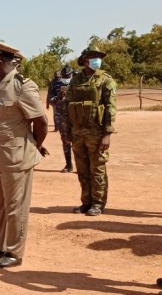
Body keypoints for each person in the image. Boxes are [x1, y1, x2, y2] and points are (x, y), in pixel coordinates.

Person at [0, 37, 48, 268]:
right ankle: (1, 245)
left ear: (2, 61)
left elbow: (41, 121)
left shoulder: (22, 85)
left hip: (16, 157)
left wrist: (34, 144)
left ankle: (14, 252)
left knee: (16, 207)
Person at [65, 45, 117, 216]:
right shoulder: (75, 80)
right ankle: (86, 202)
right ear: (85, 61)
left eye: (99, 57)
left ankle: (98, 204)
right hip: (78, 132)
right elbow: (67, 106)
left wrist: (107, 134)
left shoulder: (106, 80)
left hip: (97, 133)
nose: (98, 60)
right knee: (82, 169)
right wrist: (67, 131)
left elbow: (110, 108)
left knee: (97, 169)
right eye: (94, 56)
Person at [49, 65, 74, 172]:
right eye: (64, 76)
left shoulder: (77, 82)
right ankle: (68, 165)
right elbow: (51, 100)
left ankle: (82, 166)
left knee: (79, 142)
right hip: (62, 117)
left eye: (68, 75)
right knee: (66, 141)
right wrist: (59, 96)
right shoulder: (56, 84)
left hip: (76, 116)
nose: (65, 77)